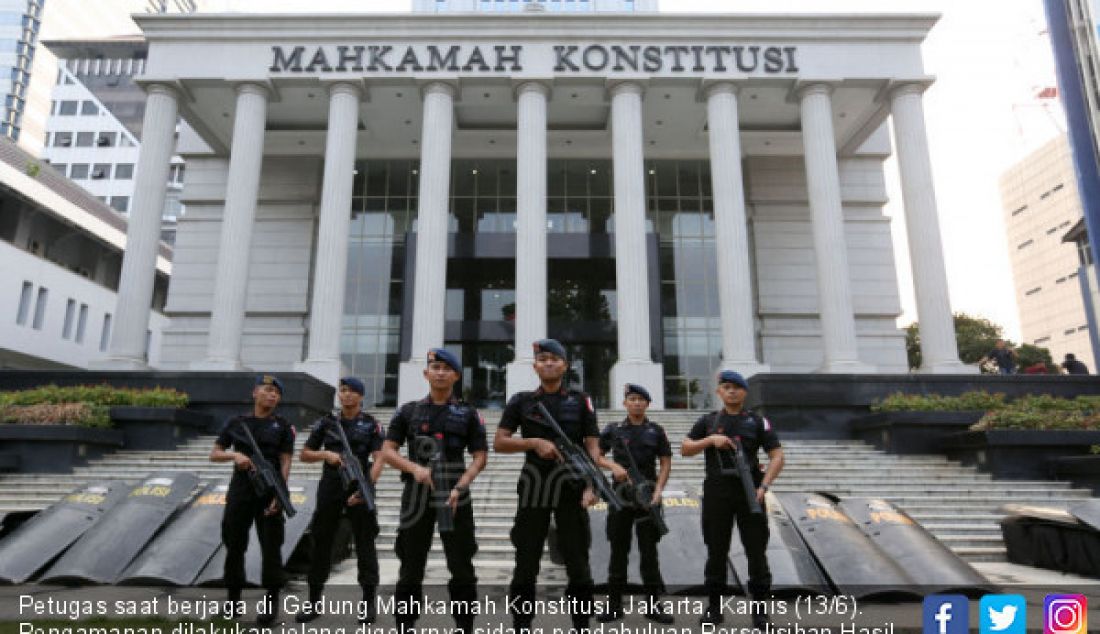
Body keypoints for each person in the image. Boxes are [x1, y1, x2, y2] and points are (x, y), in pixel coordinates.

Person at [494, 338, 601, 633]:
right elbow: (500, 442)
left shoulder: (581, 401)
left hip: (572, 486)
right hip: (534, 485)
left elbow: (593, 448)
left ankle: (581, 624)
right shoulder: (521, 400)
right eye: (543, 360)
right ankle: (521, 624)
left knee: (578, 561)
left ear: (565, 365)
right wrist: (534, 442)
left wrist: (593, 485)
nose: (549, 363)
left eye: (555, 359)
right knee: (526, 560)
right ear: (535, 366)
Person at [382, 348, 488, 634]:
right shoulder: (408, 411)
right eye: (435, 366)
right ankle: (405, 625)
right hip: (417, 495)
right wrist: (413, 468)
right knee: (410, 566)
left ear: (455, 375)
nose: (440, 372)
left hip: (455, 495)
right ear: (426, 373)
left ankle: (464, 626)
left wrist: (461, 485)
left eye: (446, 368)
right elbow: (387, 450)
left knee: (462, 565)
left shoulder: (468, 413)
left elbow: (480, 456)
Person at [681, 371, 785, 629]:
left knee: (756, 553)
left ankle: (760, 613)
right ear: (719, 392)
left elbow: (777, 456)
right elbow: (684, 449)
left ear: (744, 393)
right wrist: (710, 440)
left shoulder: (758, 422)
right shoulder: (707, 421)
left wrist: (764, 486)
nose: (731, 392)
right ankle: (714, 610)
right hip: (717, 493)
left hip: (750, 492)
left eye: (737, 388)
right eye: (726, 387)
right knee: (716, 552)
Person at [296, 377, 384, 625]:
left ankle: (368, 604)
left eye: (352, 391)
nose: (346, 395)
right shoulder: (326, 423)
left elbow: (379, 458)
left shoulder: (371, 425)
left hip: (359, 485)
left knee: (365, 544)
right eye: (343, 391)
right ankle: (313, 601)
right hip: (331, 486)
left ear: (361, 397)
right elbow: (304, 454)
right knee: (322, 540)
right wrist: (325, 454)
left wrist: (368, 485)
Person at [209, 374, 295, 625]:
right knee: (234, 544)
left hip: (270, 490)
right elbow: (215, 453)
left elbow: (285, 460)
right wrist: (234, 457)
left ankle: (270, 605)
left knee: (271, 548)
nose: (272, 395)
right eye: (267, 390)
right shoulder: (236, 423)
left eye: (276, 393)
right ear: (255, 392)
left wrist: (281, 492)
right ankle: (233, 602)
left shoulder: (283, 425)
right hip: (241, 489)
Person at [595, 383, 673, 625]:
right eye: (632, 399)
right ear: (625, 403)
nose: (637, 403)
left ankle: (652, 606)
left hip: (648, 496)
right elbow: (595, 455)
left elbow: (665, 462)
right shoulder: (613, 430)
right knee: (619, 551)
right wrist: (613, 466)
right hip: (620, 497)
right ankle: (614, 605)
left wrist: (659, 491)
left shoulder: (656, 431)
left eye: (641, 399)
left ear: (647, 404)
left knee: (649, 553)